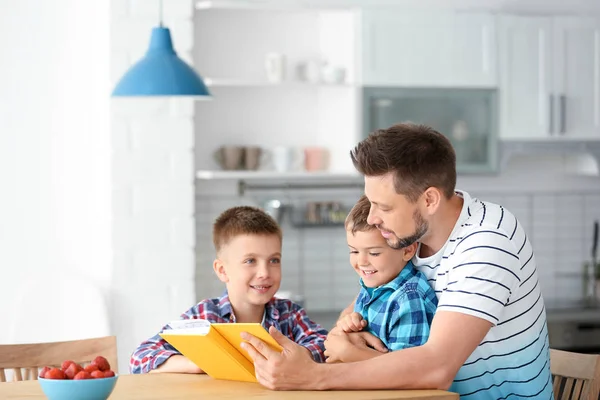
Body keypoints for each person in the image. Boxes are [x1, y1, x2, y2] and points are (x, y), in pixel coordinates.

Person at [240, 123, 553, 399]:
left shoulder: (487, 241)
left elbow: (437, 367)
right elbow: (358, 307)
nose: (373, 218)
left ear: (429, 200)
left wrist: (313, 376)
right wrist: (345, 335)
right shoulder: (408, 238)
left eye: (384, 207)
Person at [130, 206, 328, 374]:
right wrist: (199, 363)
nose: (264, 272)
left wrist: (296, 357)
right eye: (250, 261)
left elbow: (324, 346)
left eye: (274, 260)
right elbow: (141, 357)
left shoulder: (290, 315)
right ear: (222, 270)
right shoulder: (204, 317)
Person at [327, 195, 437, 363]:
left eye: (374, 253)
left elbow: (408, 370)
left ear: (407, 251)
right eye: (354, 251)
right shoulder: (374, 286)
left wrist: (350, 352)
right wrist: (352, 326)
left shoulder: (408, 299)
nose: (361, 262)